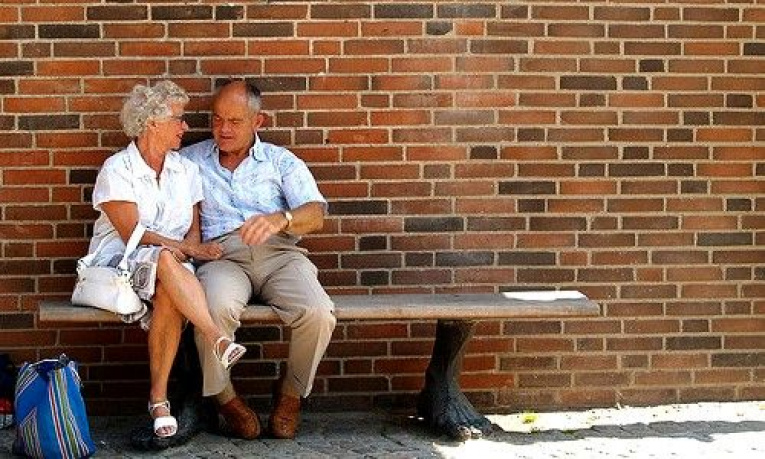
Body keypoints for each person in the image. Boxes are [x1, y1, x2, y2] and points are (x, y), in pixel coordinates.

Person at [84, 80, 247, 439]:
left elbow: (194, 230)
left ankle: (159, 402)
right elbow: (133, 233)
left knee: (169, 287)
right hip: (122, 262)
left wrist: (187, 249)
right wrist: (186, 250)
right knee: (166, 262)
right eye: (178, 118)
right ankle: (216, 337)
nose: (185, 126)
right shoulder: (118, 168)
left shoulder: (185, 170)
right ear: (151, 123)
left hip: (171, 270)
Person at [182, 81, 336, 440]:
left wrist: (281, 218)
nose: (223, 129)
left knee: (317, 312)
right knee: (213, 310)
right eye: (217, 119)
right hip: (222, 257)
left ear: (258, 121)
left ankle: (291, 394)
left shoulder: (280, 161)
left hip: (280, 254)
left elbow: (316, 213)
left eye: (235, 121)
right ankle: (226, 399)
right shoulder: (190, 161)